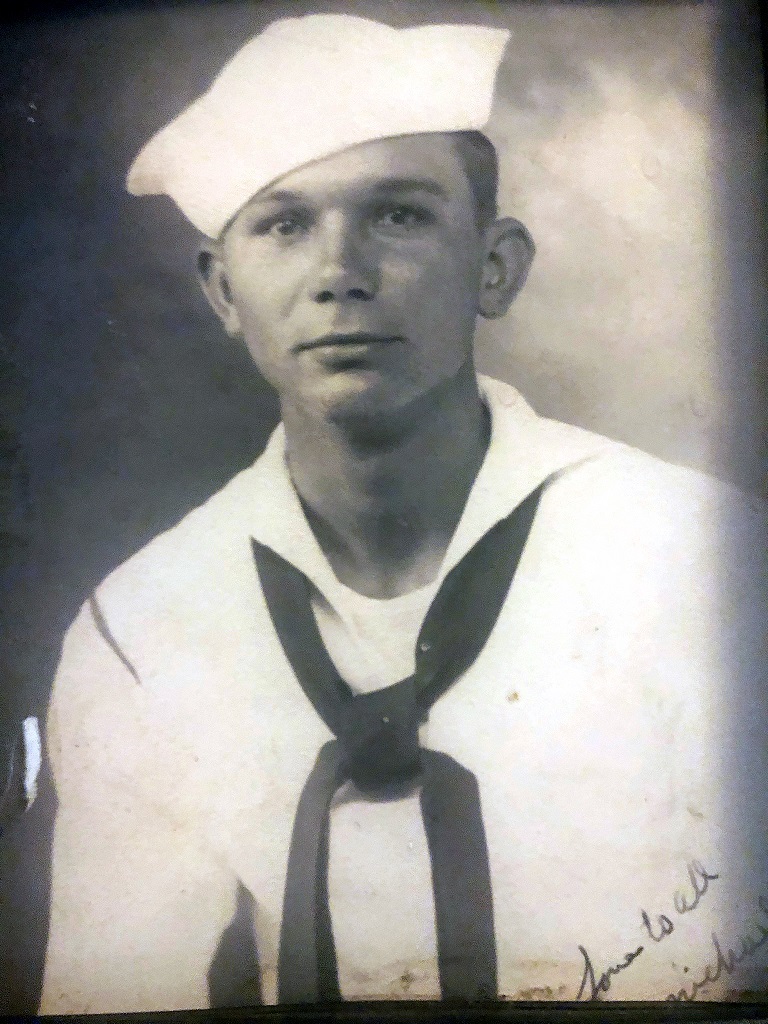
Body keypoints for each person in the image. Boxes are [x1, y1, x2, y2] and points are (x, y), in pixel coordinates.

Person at [39, 13, 767, 1013]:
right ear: (221, 288)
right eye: (283, 224)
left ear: (496, 265)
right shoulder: (142, 631)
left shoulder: (693, 558)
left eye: (399, 216)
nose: (341, 271)